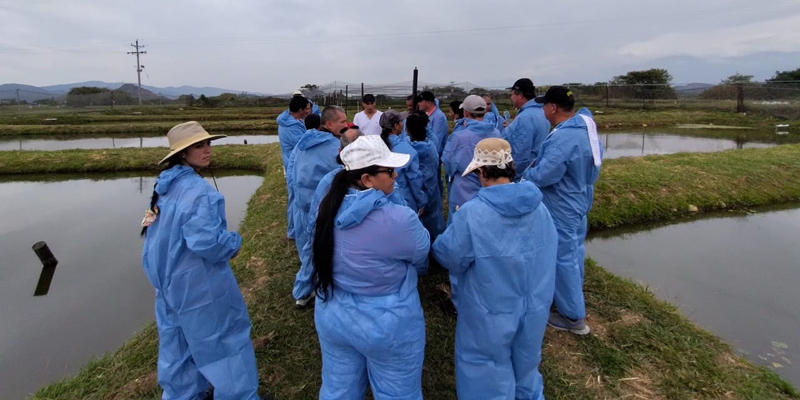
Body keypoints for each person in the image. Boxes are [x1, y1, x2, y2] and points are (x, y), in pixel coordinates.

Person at [140, 121, 272, 400]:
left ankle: (183, 395)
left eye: (207, 143)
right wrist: (233, 243)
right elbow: (207, 243)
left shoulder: (164, 185)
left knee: (176, 343)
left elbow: (154, 235)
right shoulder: (200, 192)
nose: (207, 149)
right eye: (198, 146)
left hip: (167, 281)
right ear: (182, 154)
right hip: (199, 283)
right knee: (225, 342)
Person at [433, 138, 557, 400]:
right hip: (535, 304)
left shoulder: (472, 213)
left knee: (484, 366)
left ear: (480, 171)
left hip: (489, 310)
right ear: (510, 167)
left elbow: (449, 255)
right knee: (526, 364)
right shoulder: (540, 207)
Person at [312, 135, 430, 399]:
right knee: (397, 391)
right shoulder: (399, 218)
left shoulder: (328, 207)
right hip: (387, 323)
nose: (396, 176)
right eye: (390, 171)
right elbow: (421, 251)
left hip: (333, 314)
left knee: (338, 387)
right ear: (367, 179)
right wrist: (395, 199)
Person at [524, 86, 603, 335]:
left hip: (561, 204)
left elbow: (547, 174)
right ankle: (571, 295)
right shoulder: (586, 129)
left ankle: (573, 317)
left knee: (563, 257)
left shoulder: (563, 138)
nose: (542, 109)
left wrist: (528, 174)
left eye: (544, 105)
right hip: (580, 197)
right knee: (574, 251)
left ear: (553, 108)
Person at [440, 95, 500, 310]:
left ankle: (459, 299)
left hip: (464, 193)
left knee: (460, 241)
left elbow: (448, 162)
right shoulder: (495, 133)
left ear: (464, 112)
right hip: (489, 193)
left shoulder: (460, 136)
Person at [292, 127, 363, 307]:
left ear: (339, 152)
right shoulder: (375, 180)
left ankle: (304, 291)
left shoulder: (328, 180)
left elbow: (315, 219)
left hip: (326, 245)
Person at [287, 106, 347, 271]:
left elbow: (291, 171)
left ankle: (307, 279)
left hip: (302, 205)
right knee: (321, 248)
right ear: (329, 124)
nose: (346, 124)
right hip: (322, 208)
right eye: (342, 121)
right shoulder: (335, 147)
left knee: (306, 247)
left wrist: (297, 196)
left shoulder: (304, 141)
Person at [407, 111, 445, 242]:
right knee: (434, 217)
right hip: (432, 186)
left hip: (419, 190)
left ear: (407, 129)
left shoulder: (411, 149)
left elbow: (414, 176)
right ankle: (437, 244)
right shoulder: (431, 144)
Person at [502, 78, 551, 181]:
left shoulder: (524, 117)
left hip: (523, 175)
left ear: (520, 95)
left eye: (512, 94)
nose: (511, 97)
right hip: (536, 170)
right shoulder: (542, 112)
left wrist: (514, 177)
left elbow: (521, 153)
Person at [380, 110, 427, 212]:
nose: (403, 124)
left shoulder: (375, 146)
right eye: (401, 122)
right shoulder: (407, 149)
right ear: (396, 126)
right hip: (404, 200)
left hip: (380, 201)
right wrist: (422, 201)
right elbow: (415, 180)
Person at [277, 95, 310, 239]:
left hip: (293, 163)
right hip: (295, 165)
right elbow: (305, 144)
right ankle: (294, 231)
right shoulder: (291, 127)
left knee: (294, 199)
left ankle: (293, 230)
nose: (308, 112)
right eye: (306, 109)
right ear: (300, 109)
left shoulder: (290, 121)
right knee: (297, 201)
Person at [416, 90, 448, 156]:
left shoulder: (439, 117)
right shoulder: (426, 115)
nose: (418, 104)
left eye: (421, 101)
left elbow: (437, 140)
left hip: (433, 154)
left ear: (428, 103)